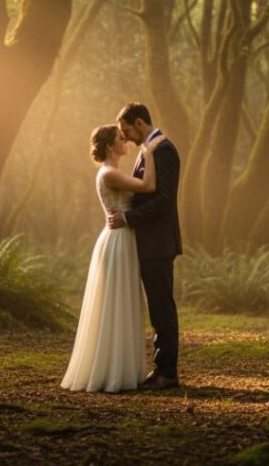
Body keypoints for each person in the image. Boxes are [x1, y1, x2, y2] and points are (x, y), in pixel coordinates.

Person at [61, 124, 164, 392]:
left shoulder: (113, 172)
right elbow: (149, 185)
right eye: (121, 138)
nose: (126, 141)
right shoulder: (108, 174)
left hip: (123, 238)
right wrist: (149, 150)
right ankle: (112, 371)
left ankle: (122, 369)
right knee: (115, 303)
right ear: (110, 146)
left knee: (123, 301)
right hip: (118, 241)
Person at [108, 102, 182, 390]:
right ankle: (161, 369)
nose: (124, 137)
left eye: (126, 130)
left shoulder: (163, 149)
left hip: (159, 242)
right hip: (150, 242)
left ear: (139, 123)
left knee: (162, 307)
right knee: (157, 306)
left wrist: (128, 217)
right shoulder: (149, 150)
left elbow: (164, 199)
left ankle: (167, 373)